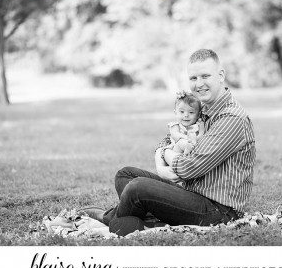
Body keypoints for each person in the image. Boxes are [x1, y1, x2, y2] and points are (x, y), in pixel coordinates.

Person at [91, 49, 255, 237]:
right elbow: (173, 136)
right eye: (193, 78)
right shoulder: (204, 108)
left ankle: (113, 219)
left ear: (220, 75)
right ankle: (136, 219)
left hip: (219, 211)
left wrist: (166, 156)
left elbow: (190, 168)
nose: (199, 84)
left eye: (205, 76)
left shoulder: (231, 119)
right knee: (126, 175)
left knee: (137, 188)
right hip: (193, 194)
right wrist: (160, 153)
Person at [157, 91, 204, 177]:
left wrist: (200, 130)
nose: (186, 115)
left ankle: (187, 154)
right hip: (175, 150)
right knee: (182, 142)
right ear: (175, 112)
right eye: (182, 112)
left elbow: (201, 136)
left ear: (198, 115)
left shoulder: (197, 126)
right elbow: (176, 136)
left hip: (191, 151)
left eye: (191, 112)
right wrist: (188, 138)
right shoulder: (175, 125)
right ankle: (186, 153)